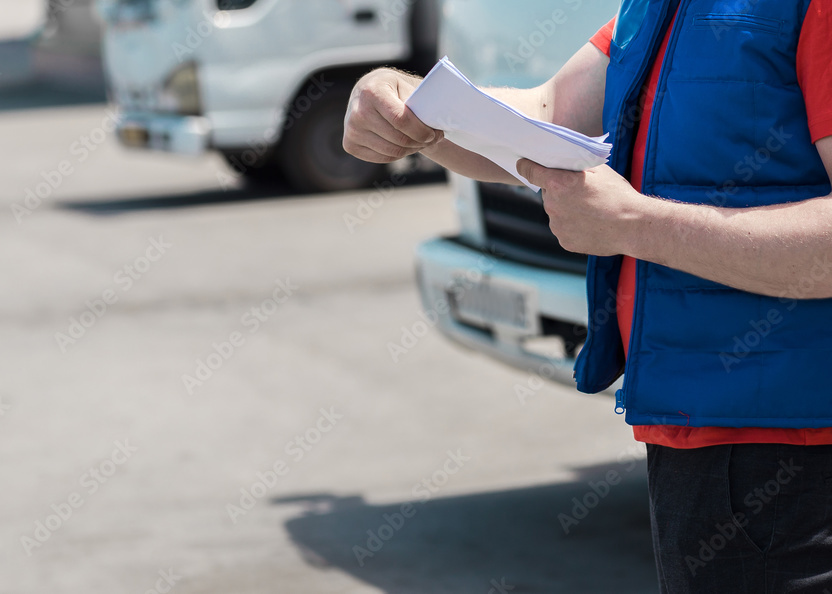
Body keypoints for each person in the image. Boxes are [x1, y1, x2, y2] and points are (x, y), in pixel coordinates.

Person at [343, 1, 832, 592]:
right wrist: (409, 106)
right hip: (703, 428)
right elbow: (550, 113)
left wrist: (636, 225)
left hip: (793, 447)